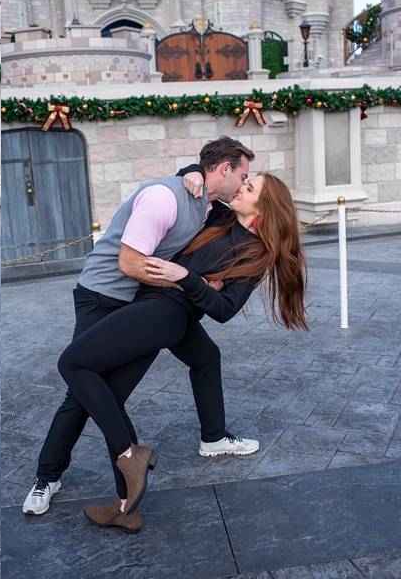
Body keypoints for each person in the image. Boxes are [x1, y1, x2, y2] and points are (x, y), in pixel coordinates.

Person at [24, 136, 260, 516]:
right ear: (225, 169)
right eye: (244, 175)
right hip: (104, 296)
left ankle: (127, 501)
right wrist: (189, 281)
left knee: (182, 365)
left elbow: (234, 237)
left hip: (144, 304)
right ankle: (47, 476)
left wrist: (193, 174)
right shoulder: (165, 198)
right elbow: (130, 265)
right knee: (81, 390)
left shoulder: (211, 205)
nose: (245, 182)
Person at [59, 173, 308, 532]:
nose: (241, 188)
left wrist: (185, 277)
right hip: (152, 306)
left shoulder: (256, 256)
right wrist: (191, 170)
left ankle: (133, 455)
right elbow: (209, 179)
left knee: (72, 361)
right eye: (246, 180)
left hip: (165, 314)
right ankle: (126, 507)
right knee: (113, 393)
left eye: (249, 189)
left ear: (263, 212)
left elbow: (223, 309)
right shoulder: (222, 216)